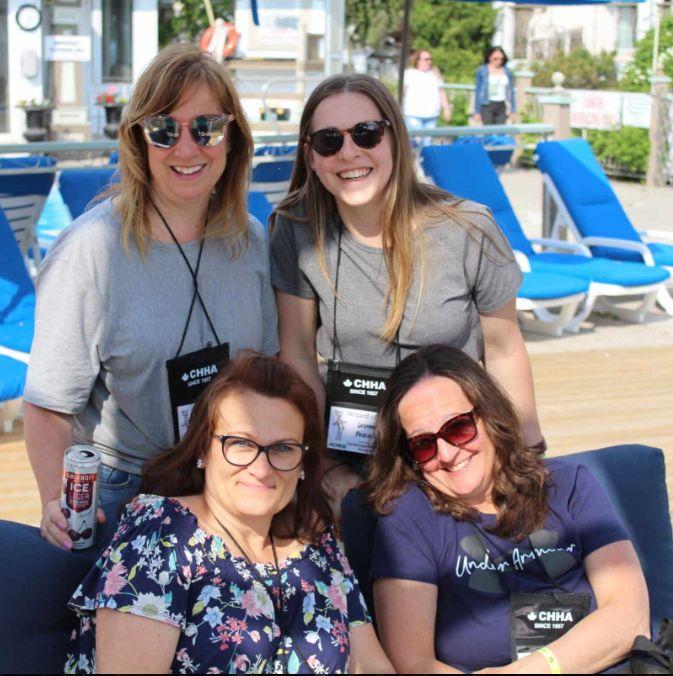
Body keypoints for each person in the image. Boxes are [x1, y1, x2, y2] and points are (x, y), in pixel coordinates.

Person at [23, 43, 279, 551]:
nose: (186, 148)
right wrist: (59, 502)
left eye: (206, 128)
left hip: (232, 483)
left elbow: (268, 370)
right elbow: (49, 407)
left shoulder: (249, 240)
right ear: (139, 140)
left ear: (232, 138)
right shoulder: (90, 251)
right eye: (164, 129)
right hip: (124, 493)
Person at [270, 73, 544, 503]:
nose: (349, 152)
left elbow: (504, 349)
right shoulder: (297, 230)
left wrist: (529, 452)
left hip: (454, 456)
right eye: (329, 141)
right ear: (311, 156)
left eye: (367, 133)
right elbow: (298, 353)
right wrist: (329, 466)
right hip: (351, 462)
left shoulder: (467, 227)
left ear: (395, 138)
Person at [64, 352, 393, 674]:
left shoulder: (317, 542)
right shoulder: (161, 538)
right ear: (203, 449)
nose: (261, 469)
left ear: (303, 464)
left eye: (282, 448)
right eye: (241, 443)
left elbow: (372, 665)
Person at [366, 344, 650, 674]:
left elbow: (630, 617)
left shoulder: (569, 486)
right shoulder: (409, 519)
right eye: (423, 443)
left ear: (490, 415)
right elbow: (413, 664)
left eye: (458, 427)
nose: (446, 454)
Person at [402, 49, 452, 146]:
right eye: (426, 59)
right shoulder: (409, 73)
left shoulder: (435, 74)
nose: (429, 61)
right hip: (413, 114)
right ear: (418, 60)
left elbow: (441, 92)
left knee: (427, 144)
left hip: (432, 115)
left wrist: (447, 109)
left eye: (430, 59)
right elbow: (402, 92)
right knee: (416, 143)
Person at [473, 46, 517, 125]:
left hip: (502, 105)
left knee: (500, 130)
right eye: (495, 59)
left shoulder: (507, 71)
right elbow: (478, 92)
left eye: (501, 59)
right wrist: (477, 111)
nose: (499, 61)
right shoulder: (482, 71)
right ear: (489, 57)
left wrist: (513, 110)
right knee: (489, 130)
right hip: (487, 105)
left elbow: (511, 92)